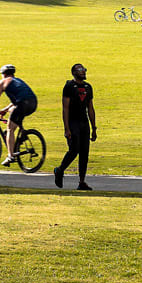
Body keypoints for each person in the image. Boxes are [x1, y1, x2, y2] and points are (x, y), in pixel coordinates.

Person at [0, 64, 37, 165]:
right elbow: (19, 98)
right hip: (33, 103)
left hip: (22, 104)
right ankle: (21, 136)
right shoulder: (18, 81)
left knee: (10, 128)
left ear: (3, 74)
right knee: (13, 114)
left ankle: (10, 156)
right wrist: (5, 110)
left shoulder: (3, 82)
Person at [54, 62, 97, 190]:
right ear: (74, 73)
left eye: (83, 69)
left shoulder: (88, 87)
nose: (83, 71)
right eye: (79, 70)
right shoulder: (69, 86)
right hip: (73, 122)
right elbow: (65, 108)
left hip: (84, 123)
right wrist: (66, 128)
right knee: (74, 150)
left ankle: (82, 182)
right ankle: (60, 170)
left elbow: (90, 108)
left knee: (85, 153)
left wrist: (94, 128)